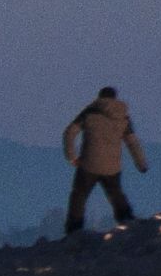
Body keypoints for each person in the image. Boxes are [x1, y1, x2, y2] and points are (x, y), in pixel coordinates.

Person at [61, 86, 147, 234]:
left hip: (88, 164)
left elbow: (69, 132)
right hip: (112, 167)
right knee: (116, 194)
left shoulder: (90, 112)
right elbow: (133, 143)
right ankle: (127, 220)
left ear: (99, 97)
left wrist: (71, 157)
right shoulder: (123, 117)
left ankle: (74, 229)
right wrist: (141, 165)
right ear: (115, 97)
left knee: (79, 195)